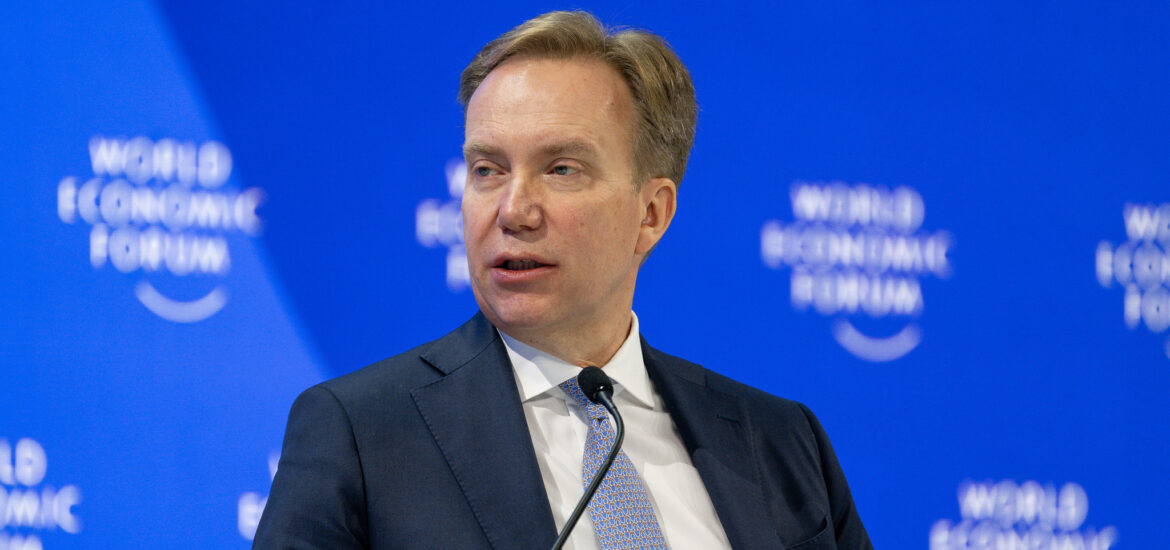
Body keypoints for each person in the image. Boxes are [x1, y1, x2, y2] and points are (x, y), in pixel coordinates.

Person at [254, 10, 871, 550]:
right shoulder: (362, 435)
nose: (513, 211)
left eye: (561, 169)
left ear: (651, 214)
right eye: (487, 169)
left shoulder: (782, 441)